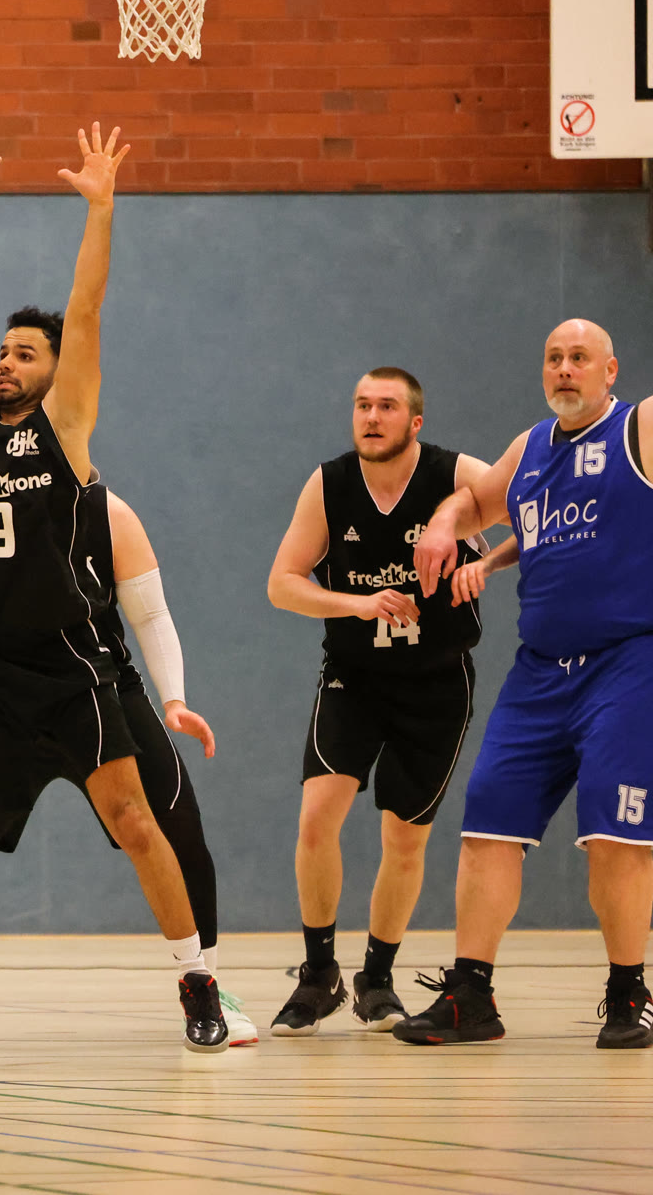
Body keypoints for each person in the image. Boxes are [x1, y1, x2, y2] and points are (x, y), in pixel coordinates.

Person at [0, 113, 228, 1055]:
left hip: (72, 666)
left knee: (135, 820)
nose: (6, 361)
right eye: (6, 351)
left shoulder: (65, 433)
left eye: (26, 353)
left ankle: (197, 980)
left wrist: (101, 210)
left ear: (58, 372)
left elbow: (88, 307)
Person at [0, 483, 256, 1047]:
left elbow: (151, 614)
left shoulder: (106, 511)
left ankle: (206, 983)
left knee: (172, 824)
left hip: (95, 687)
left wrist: (173, 698)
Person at [401, 319, 653, 1048]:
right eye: (554, 358)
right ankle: (470, 998)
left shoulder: (637, 429)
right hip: (540, 671)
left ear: (610, 370)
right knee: (487, 825)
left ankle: (628, 994)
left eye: (580, 358)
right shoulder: (531, 447)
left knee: (613, 836)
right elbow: (473, 502)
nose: (565, 369)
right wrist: (444, 525)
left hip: (628, 663)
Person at [263, 368, 489, 1035]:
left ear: (415, 422)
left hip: (437, 682)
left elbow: (536, 510)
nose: (371, 416)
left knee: (404, 835)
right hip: (355, 677)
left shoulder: (456, 474)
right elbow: (282, 583)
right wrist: (356, 604)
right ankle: (318, 974)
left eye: (386, 406)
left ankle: (377, 978)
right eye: (362, 404)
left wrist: (489, 561)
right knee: (317, 817)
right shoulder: (330, 483)